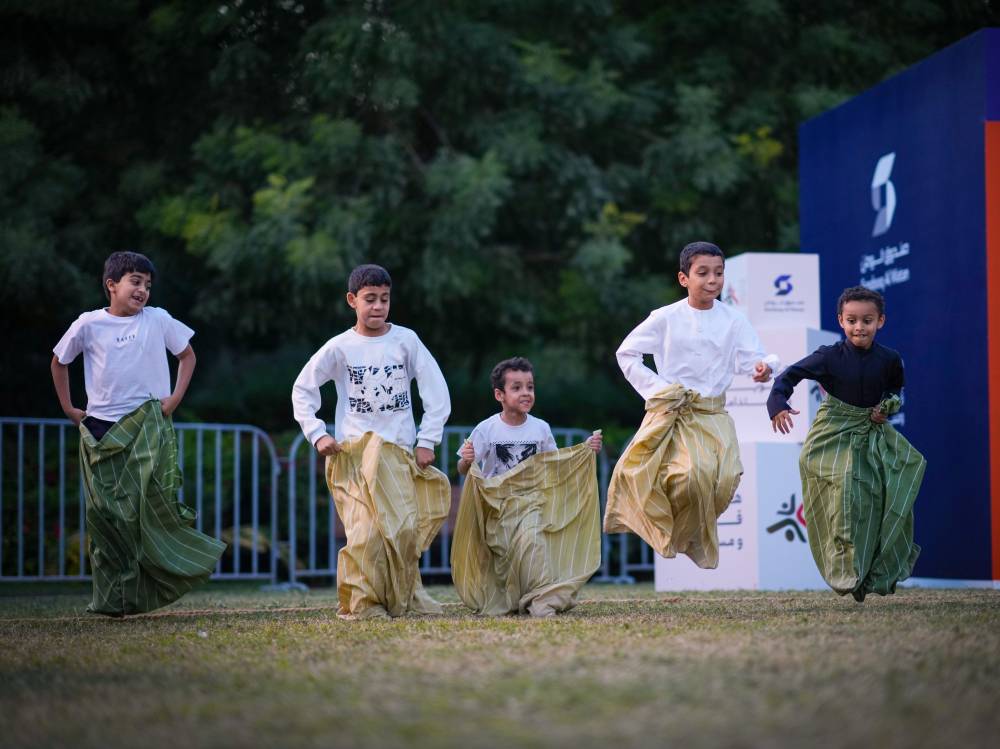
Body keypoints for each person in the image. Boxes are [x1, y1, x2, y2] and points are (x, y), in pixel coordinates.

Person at [50, 251, 225, 616]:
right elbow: (59, 362)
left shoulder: (157, 319)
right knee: (106, 517)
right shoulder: (88, 324)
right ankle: (113, 600)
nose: (143, 289)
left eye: (147, 284)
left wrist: (174, 398)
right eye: (135, 281)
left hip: (148, 423)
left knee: (144, 510)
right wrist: (68, 407)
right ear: (111, 285)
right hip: (99, 429)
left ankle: (172, 571)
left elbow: (187, 356)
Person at [291, 263, 451, 619]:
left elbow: (436, 391)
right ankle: (363, 603)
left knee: (402, 530)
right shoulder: (340, 347)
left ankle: (401, 597)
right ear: (352, 300)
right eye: (370, 299)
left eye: (384, 299)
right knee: (365, 533)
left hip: (397, 453)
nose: (378, 306)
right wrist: (317, 434)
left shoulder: (406, 341)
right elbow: (302, 389)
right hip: (353, 454)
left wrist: (427, 439)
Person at [604, 241, 778, 568]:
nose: (712, 280)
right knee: (691, 474)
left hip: (714, 413)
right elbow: (626, 353)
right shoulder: (664, 318)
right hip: (677, 412)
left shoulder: (734, 320)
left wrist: (762, 368)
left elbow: (752, 358)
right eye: (703, 273)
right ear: (684, 278)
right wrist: (660, 390)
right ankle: (669, 530)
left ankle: (687, 535)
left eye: (719, 273)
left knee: (727, 477)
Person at [767, 285, 925, 601]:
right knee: (844, 489)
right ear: (841, 320)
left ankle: (872, 571)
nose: (859, 327)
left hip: (872, 432)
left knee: (894, 482)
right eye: (852, 320)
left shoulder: (890, 359)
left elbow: (895, 391)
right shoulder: (828, 356)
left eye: (867, 320)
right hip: (834, 431)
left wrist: (887, 407)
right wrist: (778, 404)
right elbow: (789, 376)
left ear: (880, 321)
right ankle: (844, 568)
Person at [451, 357, 602, 617]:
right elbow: (464, 469)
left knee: (532, 541)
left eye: (530, 387)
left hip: (532, 501)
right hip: (497, 506)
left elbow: (553, 464)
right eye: (517, 387)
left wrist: (585, 451)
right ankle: (514, 599)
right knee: (505, 555)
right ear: (499, 395)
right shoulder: (486, 429)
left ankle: (542, 601)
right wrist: (466, 460)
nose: (526, 393)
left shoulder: (540, 428)